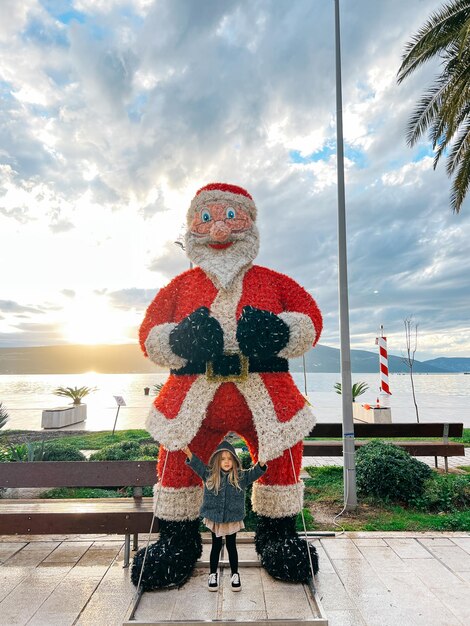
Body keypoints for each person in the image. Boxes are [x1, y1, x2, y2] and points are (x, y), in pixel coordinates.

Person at [132, 183, 322, 591]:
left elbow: (309, 321)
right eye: (206, 218)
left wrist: (278, 332)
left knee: (282, 456)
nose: (219, 229)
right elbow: (150, 336)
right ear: (191, 226)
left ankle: (279, 536)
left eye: (231, 216)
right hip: (192, 403)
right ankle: (176, 543)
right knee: (178, 461)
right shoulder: (179, 288)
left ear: (250, 223)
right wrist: (179, 339)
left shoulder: (274, 282)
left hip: (267, 400)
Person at [183, 440, 266, 592]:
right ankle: (212, 574)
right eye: (223, 459)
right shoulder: (209, 474)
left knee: (231, 546)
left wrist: (261, 463)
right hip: (215, 517)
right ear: (217, 461)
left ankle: (235, 574)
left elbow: (255, 472)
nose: (226, 462)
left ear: (234, 460)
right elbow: (197, 465)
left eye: (229, 458)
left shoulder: (240, 477)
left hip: (232, 518)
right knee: (215, 546)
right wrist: (188, 453)